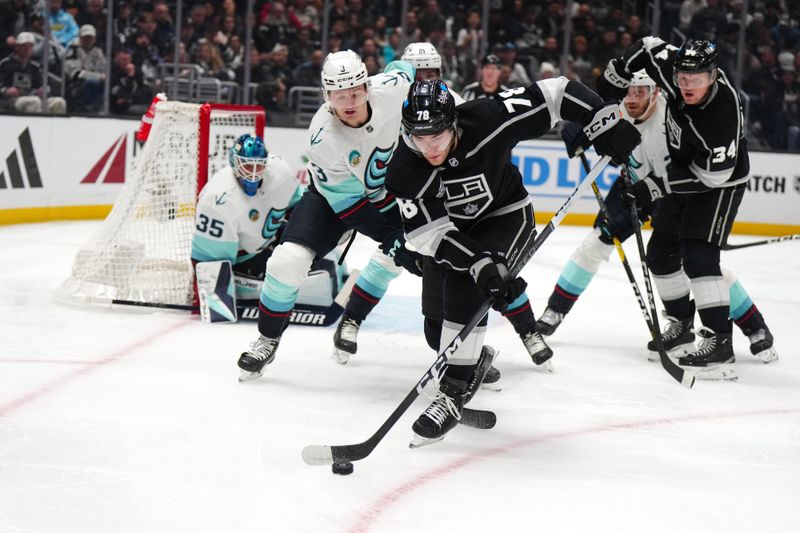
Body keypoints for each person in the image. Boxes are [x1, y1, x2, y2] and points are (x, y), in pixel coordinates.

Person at [385, 78, 641, 445]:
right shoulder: (403, 169)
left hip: (506, 216)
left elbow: (555, 94)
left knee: (464, 286)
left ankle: (451, 395)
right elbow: (430, 235)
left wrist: (604, 119)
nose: (429, 148)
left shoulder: (489, 119)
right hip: (452, 233)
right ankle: (472, 359)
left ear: (454, 123)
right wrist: (478, 262)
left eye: (437, 136)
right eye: (419, 138)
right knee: (435, 330)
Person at [538, 70, 778, 365]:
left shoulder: (671, 119)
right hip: (635, 190)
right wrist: (580, 132)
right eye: (628, 91)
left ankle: (754, 325)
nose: (632, 98)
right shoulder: (620, 109)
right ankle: (555, 310)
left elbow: (689, 174)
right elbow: (599, 129)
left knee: (699, 268)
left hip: (675, 195)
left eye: (640, 91)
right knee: (596, 242)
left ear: (655, 92)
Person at [236, 50, 423, 381]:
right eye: (339, 95)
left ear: (367, 87)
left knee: (409, 260)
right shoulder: (323, 136)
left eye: (354, 92)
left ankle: (353, 321)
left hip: (395, 193)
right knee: (286, 261)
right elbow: (349, 207)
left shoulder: (391, 89)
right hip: (332, 200)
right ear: (327, 97)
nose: (349, 102)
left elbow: (404, 69)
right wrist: (391, 237)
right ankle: (267, 338)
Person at [597, 38, 752, 380]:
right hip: (682, 173)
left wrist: (654, 185)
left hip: (719, 185)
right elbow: (649, 46)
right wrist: (621, 73)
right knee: (660, 255)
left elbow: (711, 178)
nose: (686, 85)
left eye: (695, 79)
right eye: (682, 77)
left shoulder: (722, 115)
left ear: (713, 76)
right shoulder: (673, 72)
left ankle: (720, 342)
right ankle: (682, 324)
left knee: (699, 256)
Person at [402, 40, 557, 370]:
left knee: (494, 272)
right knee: (436, 330)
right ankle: (474, 358)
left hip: (486, 202)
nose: (423, 77)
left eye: (430, 71)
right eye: (417, 71)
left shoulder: (455, 102)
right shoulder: (397, 112)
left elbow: (499, 128)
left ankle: (528, 330)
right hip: (439, 219)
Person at [191, 133, 318, 307]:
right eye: (247, 165)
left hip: (272, 237)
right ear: (234, 163)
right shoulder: (217, 200)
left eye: (258, 166)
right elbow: (208, 262)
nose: (253, 173)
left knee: (317, 254)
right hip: (245, 258)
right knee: (296, 273)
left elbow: (297, 209)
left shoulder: (280, 172)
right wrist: (216, 301)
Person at [0, 31, 66, 113]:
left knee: (59, 102)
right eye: (24, 46)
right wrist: (6, 91)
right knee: (34, 102)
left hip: (33, 96)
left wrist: (44, 90)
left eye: (30, 46)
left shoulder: (35, 67)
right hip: (10, 100)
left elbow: (46, 86)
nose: (27, 49)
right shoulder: (5, 63)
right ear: (17, 47)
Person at [64, 24, 106, 111]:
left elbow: (103, 68)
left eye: (90, 37)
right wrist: (98, 76)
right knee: (91, 83)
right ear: (80, 38)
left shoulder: (98, 51)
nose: (88, 40)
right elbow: (77, 74)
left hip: (97, 83)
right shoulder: (73, 51)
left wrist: (103, 76)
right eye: (85, 37)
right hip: (77, 85)